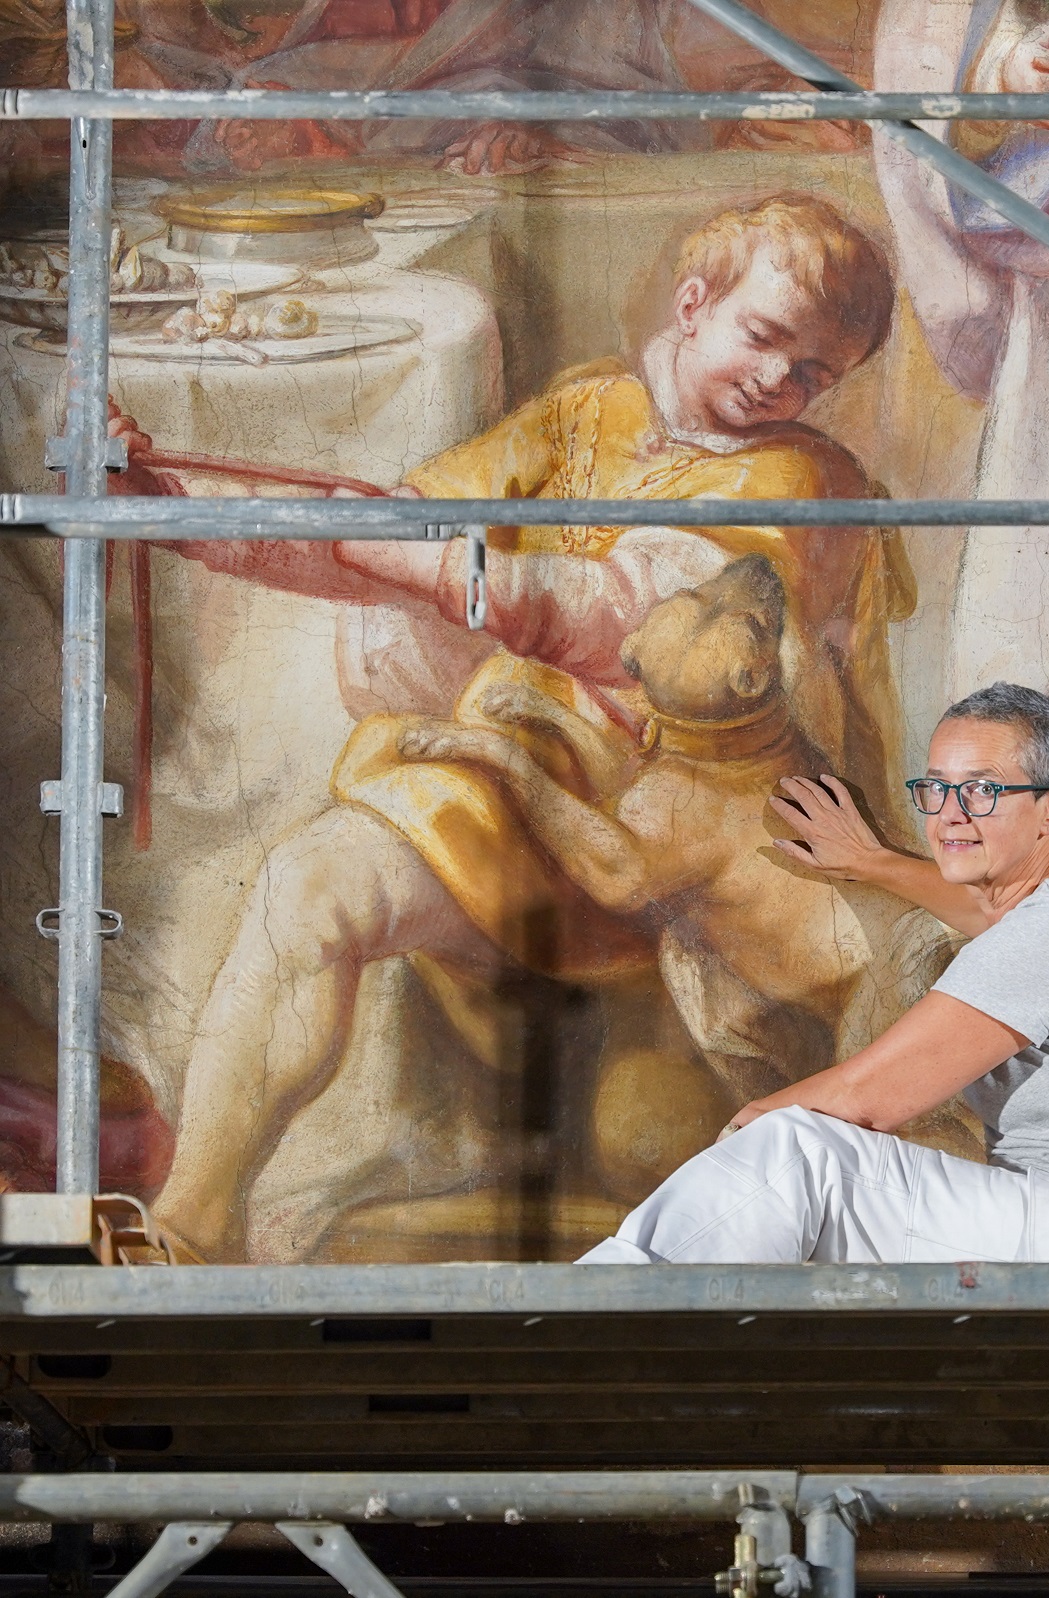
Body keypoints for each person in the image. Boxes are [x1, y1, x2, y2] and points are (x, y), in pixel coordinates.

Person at [147, 194, 911, 1262]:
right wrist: (184, 503)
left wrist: (389, 550)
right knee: (308, 884)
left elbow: (604, 617)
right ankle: (191, 1224)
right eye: (766, 338)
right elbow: (406, 521)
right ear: (693, 305)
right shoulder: (587, 411)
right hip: (525, 777)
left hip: (673, 842)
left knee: (661, 1146)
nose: (783, 382)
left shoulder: (805, 481)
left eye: (816, 373)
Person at [581, 684, 1049, 1265]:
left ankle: (585, 1322)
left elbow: (865, 1102)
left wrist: (745, 1135)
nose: (949, 815)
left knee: (798, 1153)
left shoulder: (1048, 936)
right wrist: (873, 861)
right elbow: (988, 910)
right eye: (936, 788)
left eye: (983, 790)